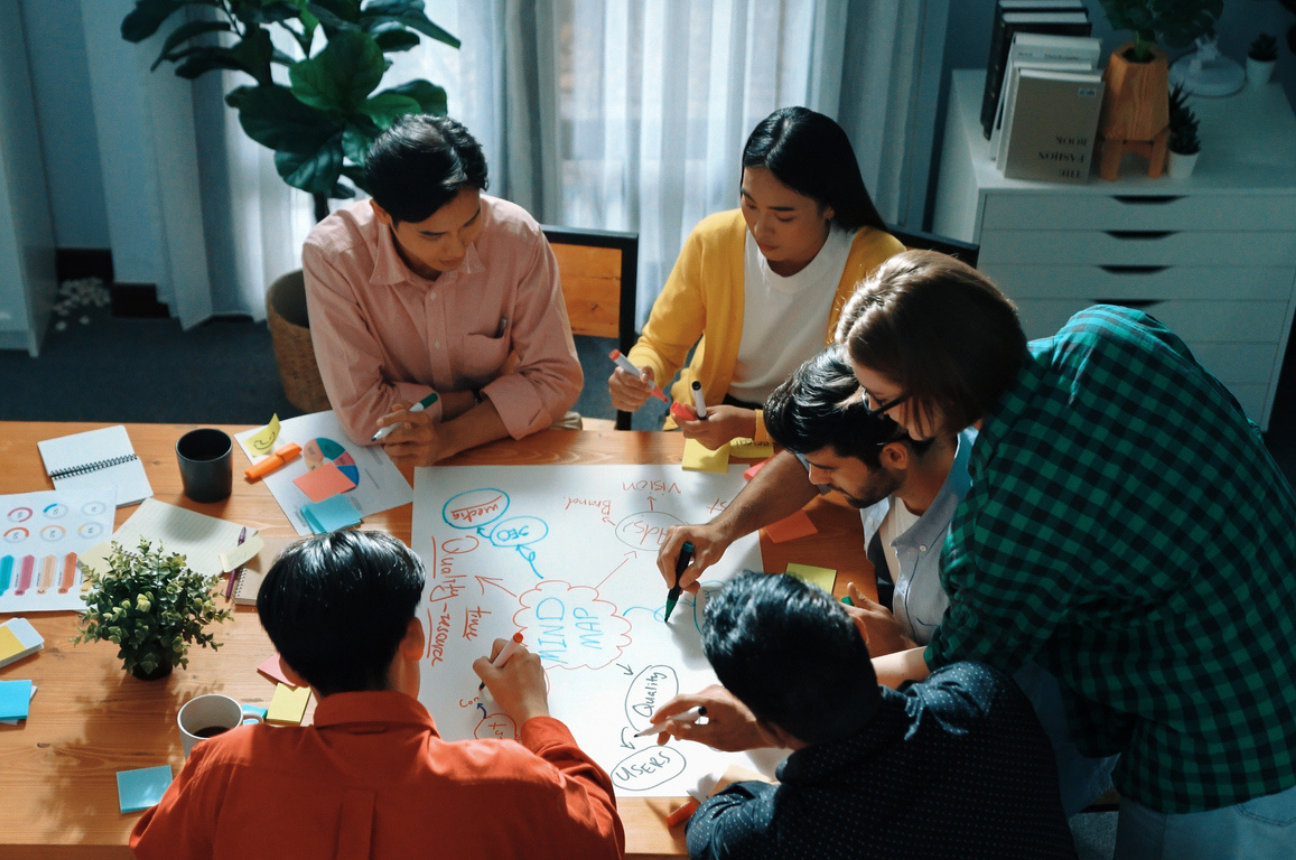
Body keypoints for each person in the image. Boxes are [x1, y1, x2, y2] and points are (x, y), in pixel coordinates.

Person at [835, 250, 1296, 859]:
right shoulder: (1106, 331)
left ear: (937, 389)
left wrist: (841, 680)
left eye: (878, 398)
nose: (871, 414)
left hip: (1225, 737)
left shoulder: (1012, 514)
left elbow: (965, 661)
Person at [655, 345, 1114, 814]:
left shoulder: (986, 546)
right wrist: (721, 530)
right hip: (927, 666)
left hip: (1008, 756)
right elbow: (803, 461)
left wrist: (774, 711)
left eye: (828, 469)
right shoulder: (893, 450)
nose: (814, 479)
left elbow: (973, 685)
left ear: (894, 455)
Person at [130, 530, 624, 860]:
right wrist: (536, 715)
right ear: (414, 637)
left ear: (291, 672)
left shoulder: (225, 765)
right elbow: (602, 839)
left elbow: (152, 850)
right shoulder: (511, 779)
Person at [681, 571, 1077, 860]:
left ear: (768, 727)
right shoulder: (981, 692)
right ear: (859, 630)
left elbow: (708, 834)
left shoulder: (788, 830)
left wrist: (758, 758)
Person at [609, 106, 904, 449]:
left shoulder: (877, 264)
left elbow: (870, 400)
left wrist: (755, 426)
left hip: (821, 432)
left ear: (830, 205)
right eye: (749, 204)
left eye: (784, 215)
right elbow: (660, 344)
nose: (761, 228)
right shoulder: (714, 241)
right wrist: (642, 372)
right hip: (713, 413)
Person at [303, 114, 583, 465]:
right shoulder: (335, 257)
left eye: (470, 222)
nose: (457, 249)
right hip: (409, 444)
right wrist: (478, 399)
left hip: (495, 432)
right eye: (431, 235)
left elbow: (558, 378)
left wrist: (449, 438)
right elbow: (364, 417)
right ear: (382, 213)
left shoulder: (517, 238)